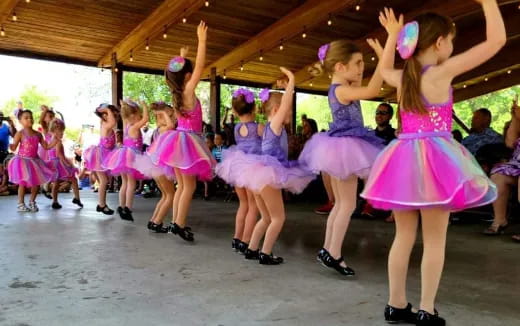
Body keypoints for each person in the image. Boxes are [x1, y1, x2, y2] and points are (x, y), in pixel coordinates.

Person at [361, 4, 503, 324]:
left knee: (404, 236)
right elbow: (495, 42)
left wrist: (391, 37)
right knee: (435, 239)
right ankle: (426, 309)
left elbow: (384, 71)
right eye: (451, 41)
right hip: (437, 163)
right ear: (439, 43)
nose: (451, 48)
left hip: (402, 160)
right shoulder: (441, 72)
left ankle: (396, 305)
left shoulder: (403, 76)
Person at [299, 35, 387, 276]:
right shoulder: (342, 90)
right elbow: (373, 89)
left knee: (341, 204)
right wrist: (384, 56)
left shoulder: (337, 89)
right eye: (358, 63)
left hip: (339, 147)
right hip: (345, 148)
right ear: (340, 67)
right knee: (347, 204)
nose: (362, 68)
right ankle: (334, 253)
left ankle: (328, 249)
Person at [235, 68, 314, 265]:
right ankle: (266, 253)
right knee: (278, 218)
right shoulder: (274, 124)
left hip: (258, 176)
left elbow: (283, 104)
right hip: (268, 176)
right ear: (276, 111)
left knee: (267, 218)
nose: (290, 111)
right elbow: (285, 102)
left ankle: (252, 249)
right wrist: (291, 82)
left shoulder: (270, 127)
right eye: (287, 109)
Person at [152, 21, 216, 242]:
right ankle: (179, 223)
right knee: (189, 185)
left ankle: (176, 222)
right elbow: (199, 67)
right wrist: (202, 40)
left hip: (178, 141)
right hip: (188, 141)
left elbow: (186, 71)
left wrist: (181, 56)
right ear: (188, 77)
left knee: (182, 186)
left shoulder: (178, 91)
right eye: (190, 74)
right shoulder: (188, 90)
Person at [216, 88, 263, 254]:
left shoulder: (236, 128)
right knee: (253, 206)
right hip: (253, 168)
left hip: (237, 166)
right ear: (255, 108)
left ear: (235, 111)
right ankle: (246, 240)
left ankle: (237, 238)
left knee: (243, 204)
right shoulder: (259, 128)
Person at [103, 100, 149, 222]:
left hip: (123, 155)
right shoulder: (134, 127)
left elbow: (125, 116)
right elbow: (146, 119)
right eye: (138, 114)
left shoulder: (126, 124)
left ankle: (121, 206)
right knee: (131, 183)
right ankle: (127, 208)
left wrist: (124, 106)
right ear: (133, 116)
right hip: (131, 156)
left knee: (124, 183)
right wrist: (144, 106)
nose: (140, 117)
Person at [134, 102, 176, 233]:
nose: (173, 117)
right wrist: (163, 113)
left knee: (165, 195)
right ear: (161, 117)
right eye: (170, 115)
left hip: (155, 166)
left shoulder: (157, 131)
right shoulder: (163, 129)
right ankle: (157, 222)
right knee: (171, 195)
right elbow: (171, 126)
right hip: (161, 167)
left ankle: (154, 221)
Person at [483, 96, 520, 236]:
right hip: (517, 164)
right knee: (498, 175)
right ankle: (500, 221)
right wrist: (515, 118)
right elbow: (510, 142)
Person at [8, 109, 56, 212]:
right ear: (20, 121)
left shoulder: (38, 134)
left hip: (34, 161)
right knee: (22, 184)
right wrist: (11, 146)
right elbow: (13, 147)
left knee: (36, 183)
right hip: (22, 161)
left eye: (31, 117)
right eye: (26, 118)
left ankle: (32, 202)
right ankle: (21, 203)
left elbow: (46, 146)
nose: (29, 119)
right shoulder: (20, 133)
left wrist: (55, 141)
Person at [83, 104, 119, 215]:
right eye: (111, 114)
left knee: (104, 181)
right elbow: (113, 122)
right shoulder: (106, 124)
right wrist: (108, 109)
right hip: (100, 155)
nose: (114, 116)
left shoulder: (108, 125)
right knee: (104, 181)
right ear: (104, 115)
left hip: (106, 155)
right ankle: (102, 205)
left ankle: (101, 204)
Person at [47, 118, 83, 209]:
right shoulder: (58, 142)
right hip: (60, 164)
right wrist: (68, 165)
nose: (62, 133)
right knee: (73, 179)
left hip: (53, 164)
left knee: (56, 183)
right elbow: (60, 156)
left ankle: (54, 201)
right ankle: (77, 198)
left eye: (62, 131)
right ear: (54, 130)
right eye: (60, 131)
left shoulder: (50, 141)